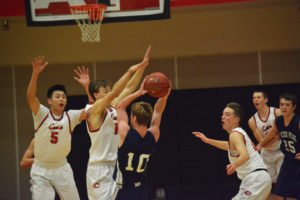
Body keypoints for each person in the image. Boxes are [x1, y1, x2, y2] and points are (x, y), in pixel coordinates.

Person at [73, 46, 152, 200]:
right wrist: (129, 71)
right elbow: (117, 91)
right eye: (105, 90)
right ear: (96, 94)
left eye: (109, 89)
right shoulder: (93, 110)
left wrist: (143, 67)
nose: (109, 92)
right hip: (99, 167)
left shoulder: (112, 106)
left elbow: (129, 87)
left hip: (115, 166)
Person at [27, 56, 86, 200]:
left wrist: (87, 86)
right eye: (58, 96)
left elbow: (92, 110)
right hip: (41, 169)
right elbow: (30, 97)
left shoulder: (71, 116)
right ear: (49, 101)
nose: (61, 99)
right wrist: (35, 74)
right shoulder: (42, 114)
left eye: (64, 97)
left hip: (62, 167)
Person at [193, 102, 271, 200]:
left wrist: (234, 165)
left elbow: (245, 155)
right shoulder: (237, 134)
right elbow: (229, 146)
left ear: (236, 120)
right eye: (223, 114)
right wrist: (207, 140)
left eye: (227, 115)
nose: (223, 117)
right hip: (258, 178)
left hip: (255, 179)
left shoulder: (235, 134)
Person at [111, 77, 171, 200]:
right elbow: (158, 112)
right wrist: (164, 95)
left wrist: (139, 92)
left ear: (133, 118)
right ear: (147, 118)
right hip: (141, 190)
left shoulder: (124, 133)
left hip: (122, 190)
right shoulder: (153, 135)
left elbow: (120, 106)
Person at [256, 93, 300, 200]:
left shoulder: (297, 122)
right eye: (282, 104)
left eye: (287, 105)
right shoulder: (278, 120)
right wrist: (261, 144)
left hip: (298, 163)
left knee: (292, 196)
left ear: (293, 107)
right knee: (278, 194)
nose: (284, 107)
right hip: (287, 161)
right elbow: (272, 134)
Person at [248, 90, 283, 199]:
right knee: (266, 184)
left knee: (283, 183)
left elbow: (279, 134)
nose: (255, 100)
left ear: (266, 100)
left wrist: (263, 143)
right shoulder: (252, 120)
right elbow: (261, 140)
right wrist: (267, 141)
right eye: (254, 98)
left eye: (258, 97)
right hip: (266, 153)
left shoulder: (277, 112)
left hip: (281, 150)